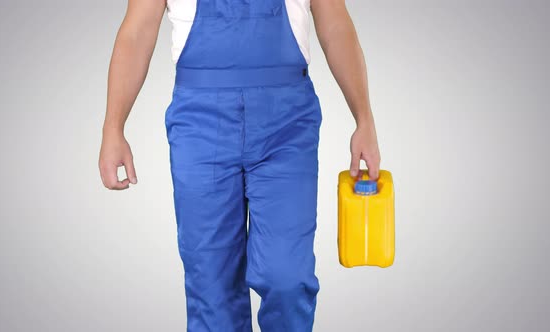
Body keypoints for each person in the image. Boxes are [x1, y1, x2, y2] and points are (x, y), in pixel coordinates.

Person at [98, 0, 381, 330]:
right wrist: (113, 127)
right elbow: (136, 32)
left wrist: (364, 118)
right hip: (200, 124)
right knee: (211, 284)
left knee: (286, 277)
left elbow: (335, 24)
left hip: (287, 124)